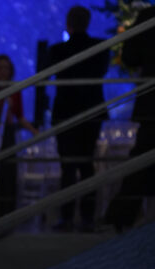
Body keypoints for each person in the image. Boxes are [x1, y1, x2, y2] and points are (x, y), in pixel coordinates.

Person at [48, 4, 109, 229]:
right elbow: (100, 72)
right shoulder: (101, 47)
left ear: (68, 24)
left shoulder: (56, 51)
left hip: (65, 114)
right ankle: (87, 218)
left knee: (68, 167)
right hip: (91, 113)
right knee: (86, 165)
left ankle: (66, 218)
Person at [104, 5, 155, 231]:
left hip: (152, 100)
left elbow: (130, 57)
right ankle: (122, 216)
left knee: (143, 157)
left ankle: (121, 217)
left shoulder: (148, 17)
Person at [0, 54, 40, 217]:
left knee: (8, 172)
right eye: (0, 68)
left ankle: (6, 213)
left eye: (6, 68)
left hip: (7, 136)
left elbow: (20, 117)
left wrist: (34, 131)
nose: (3, 71)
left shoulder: (15, 92)